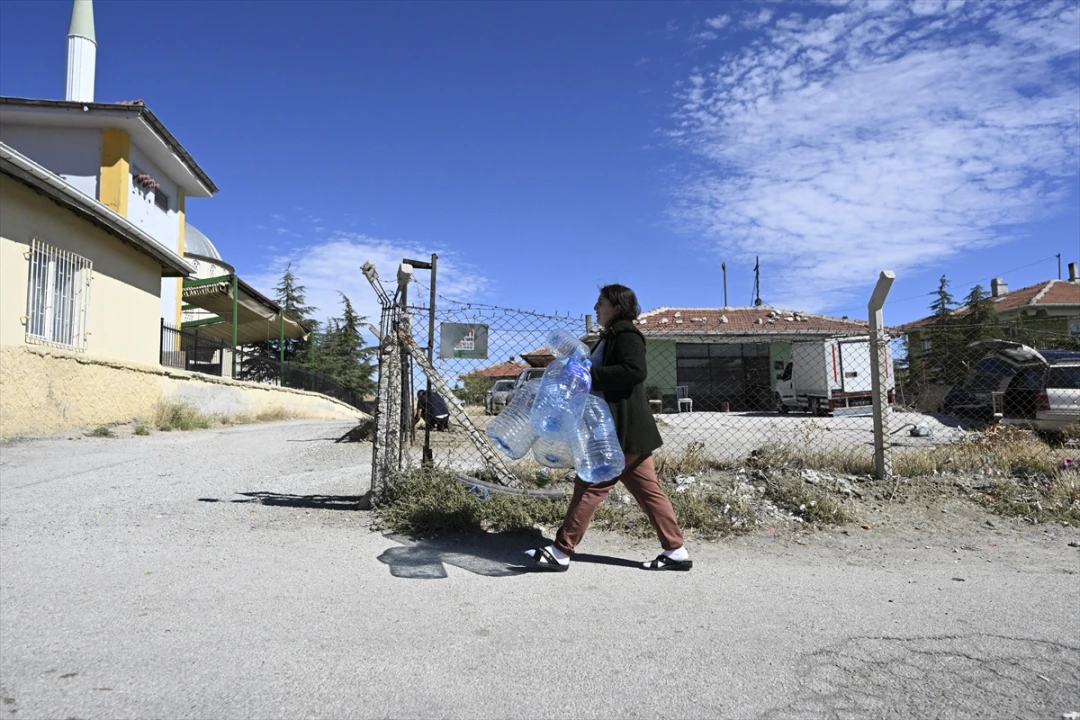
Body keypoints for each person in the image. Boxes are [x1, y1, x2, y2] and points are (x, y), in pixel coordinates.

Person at [525, 284, 691, 572]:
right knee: (650, 493)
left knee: (589, 484)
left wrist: (590, 375)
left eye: (600, 303)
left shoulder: (626, 334)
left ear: (616, 306)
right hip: (630, 431)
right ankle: (676, 550)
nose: (595, 308)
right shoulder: (611, 335)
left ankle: (561, 551)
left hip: (622, 431)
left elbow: (635, 371)